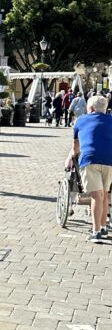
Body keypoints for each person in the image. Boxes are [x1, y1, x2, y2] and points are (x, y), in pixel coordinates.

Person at [67, 94, 112, 243]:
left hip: (90, 159)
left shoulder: (81, 120)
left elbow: (76, 146)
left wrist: (70, 159)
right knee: (105, 194)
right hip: (110, 161)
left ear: (91, 108)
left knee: (96, 196)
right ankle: (104, 226)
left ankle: (96, 231)